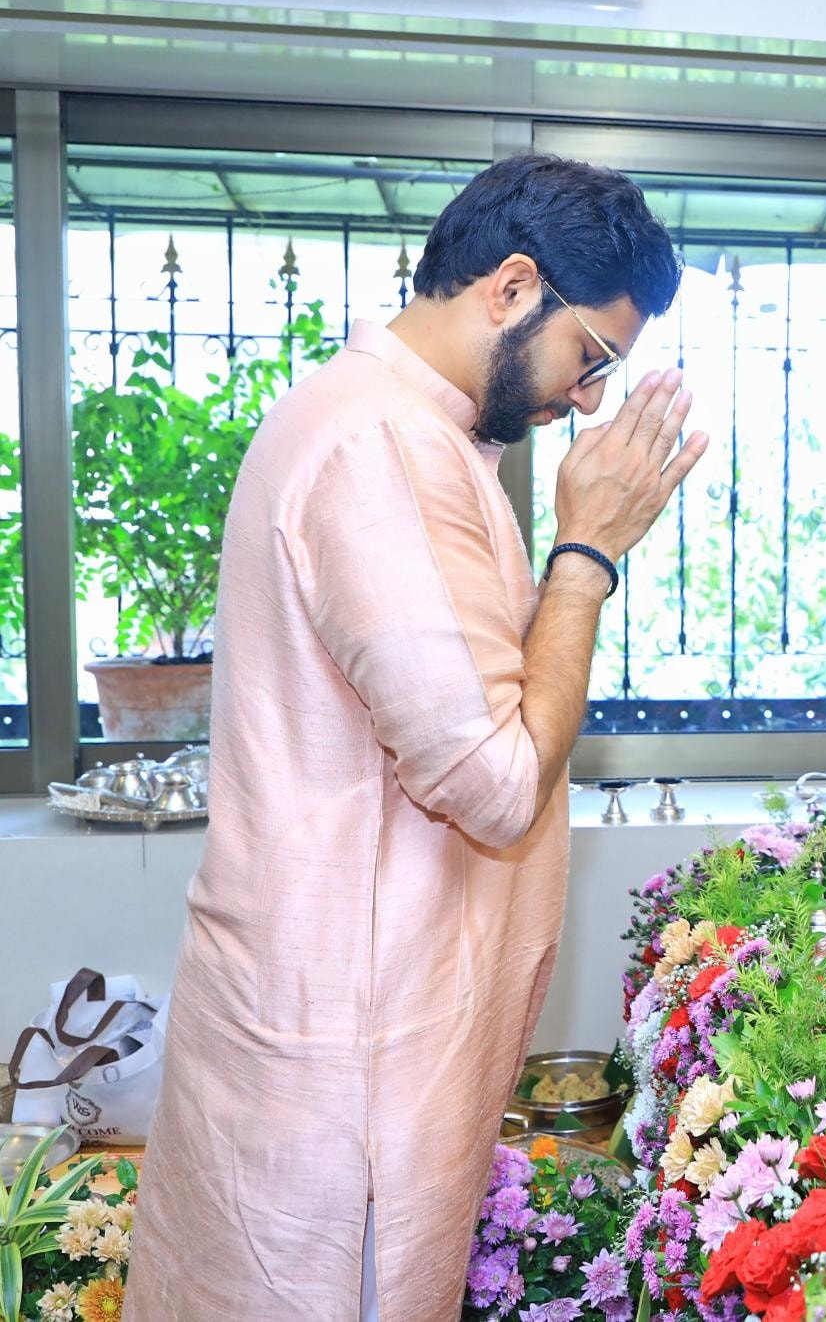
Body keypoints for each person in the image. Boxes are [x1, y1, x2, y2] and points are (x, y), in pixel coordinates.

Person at [124, 154, 707, 1322]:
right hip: (349, 1056)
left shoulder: (415, 434)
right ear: (510, 287)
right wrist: (585, 557)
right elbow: (493, 781)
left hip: (351, 1028)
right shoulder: (382, 448)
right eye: (589, 357)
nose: (588, 400)